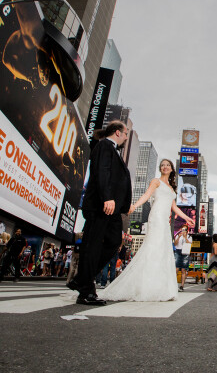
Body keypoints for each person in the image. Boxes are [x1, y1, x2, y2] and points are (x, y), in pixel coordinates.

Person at [99, 159, 194, 302]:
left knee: (163, 250)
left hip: (164, 220)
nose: (165, 167)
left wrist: (187, 218)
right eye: (162, 165)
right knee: (153, 248)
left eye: (167, 165)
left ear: (172, 169)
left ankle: (160, 288)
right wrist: (134, 206)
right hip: (156, 216)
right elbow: (146, 195)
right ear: (160, 168)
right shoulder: (156, 181)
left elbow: (174, 207)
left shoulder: (171, 188)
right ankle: (146, 287)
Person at [66, 121, 133, 306]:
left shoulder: (112, 149)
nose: (127, 137)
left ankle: (82, 279)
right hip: (101, 205)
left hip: (112, 208)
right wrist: (107, 197)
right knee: (92, 246)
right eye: (126, 133)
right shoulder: (104, 145)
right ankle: (86, 291)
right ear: (118, 133)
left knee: (113, 242)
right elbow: (101, 172)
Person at [174, 224, 192, 292]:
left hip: (185, 252)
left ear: (187, 230)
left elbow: (189, 244)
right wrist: (179, 237)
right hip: (178, 251)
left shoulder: (189, 237)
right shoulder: (178, 236)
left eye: (185, 229)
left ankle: (182, 286)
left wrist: (185, 238)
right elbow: (175, 244)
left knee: (183, 270)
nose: (183, 231)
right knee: (176, 269)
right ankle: (174, 284)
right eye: (182, 229)